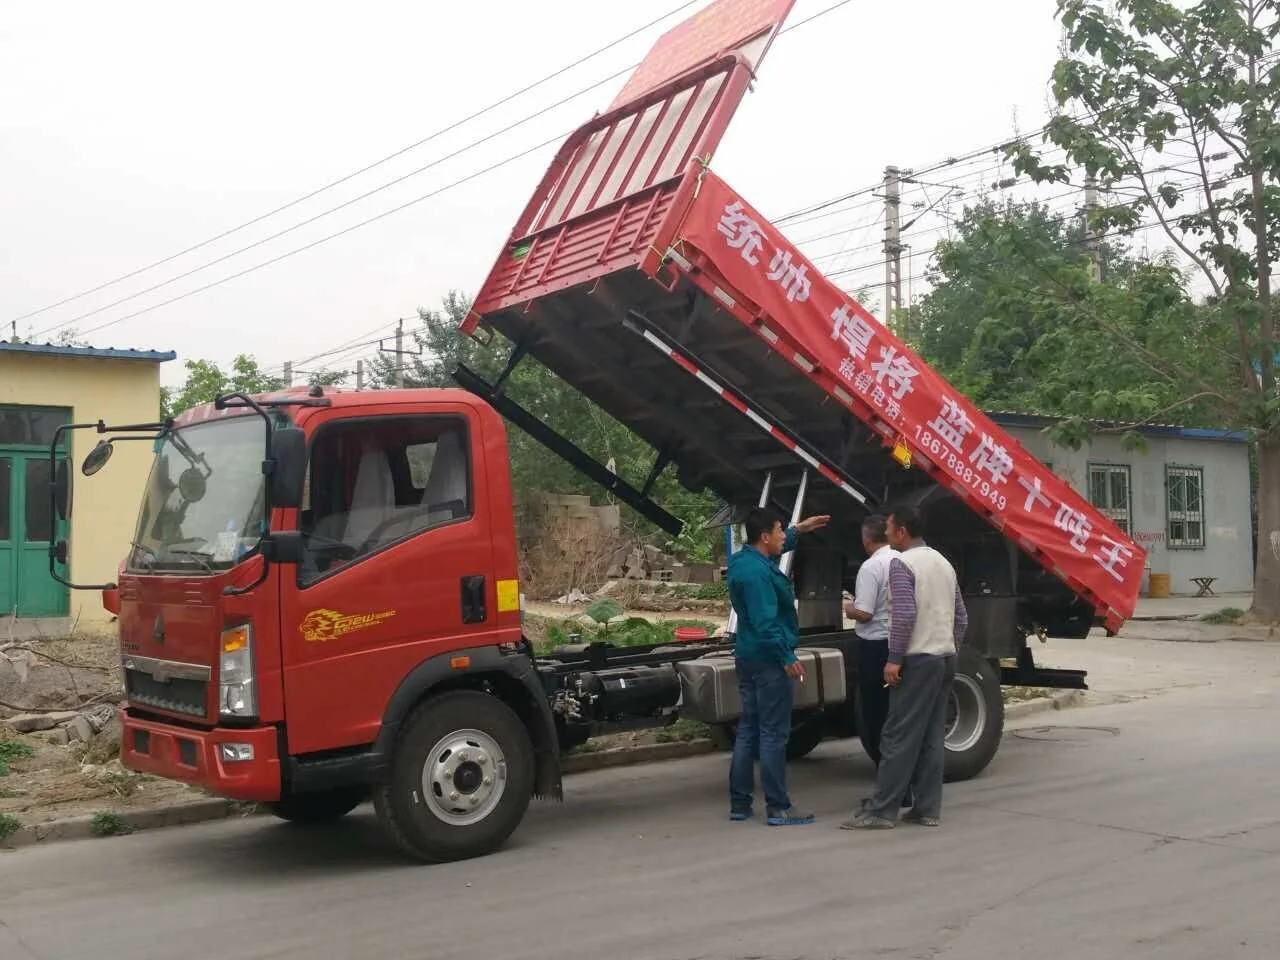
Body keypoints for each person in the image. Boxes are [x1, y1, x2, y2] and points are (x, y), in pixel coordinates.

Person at [843, 505, 967, 830]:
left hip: (917, 659)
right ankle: (927, 808)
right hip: (944, 657)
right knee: (930, 736)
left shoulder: (902, 564)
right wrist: (949, 646)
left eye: (889, 527)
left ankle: (882, 811)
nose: (885, 533)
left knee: (897, 734)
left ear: (902, 532)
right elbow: (962, 617)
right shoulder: (943, 562)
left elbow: (905, 615)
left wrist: (895, 658)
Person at [727, 505, 830, 825]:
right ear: (764, 536)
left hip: (747, 655)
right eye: (779, 530)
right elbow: (765, 621)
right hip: (768, 659)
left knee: (748, 731)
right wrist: (787, 657)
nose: (783, 536)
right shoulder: (759, 575)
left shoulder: (743, 560)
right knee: (773, 734)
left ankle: (741, 803)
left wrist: (801, 529)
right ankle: (778, 806)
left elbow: (774, 549)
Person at [844, 515, 898, 771]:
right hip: (898, 644)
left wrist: (849, 608)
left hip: (875, 647)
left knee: (876, 715)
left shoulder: (871, 567)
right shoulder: (902, 560)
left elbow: (864, 613)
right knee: (896, 713)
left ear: (866, 540)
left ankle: (887, 775)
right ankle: (904, 777)